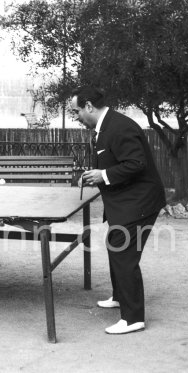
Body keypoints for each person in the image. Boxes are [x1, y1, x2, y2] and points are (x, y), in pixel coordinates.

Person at [70, 86, 166, 335]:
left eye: (77, 111)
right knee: (116, 244)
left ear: (89, 106)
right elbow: (111, 161)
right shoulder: (106, 126)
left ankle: (133, 318)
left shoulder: (119, 126)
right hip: (126, 200)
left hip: (140, 201)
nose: (76, 116)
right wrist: (92, 176)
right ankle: (119, 296)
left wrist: (102, 175)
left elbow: (136, 163)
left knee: (123, 254)